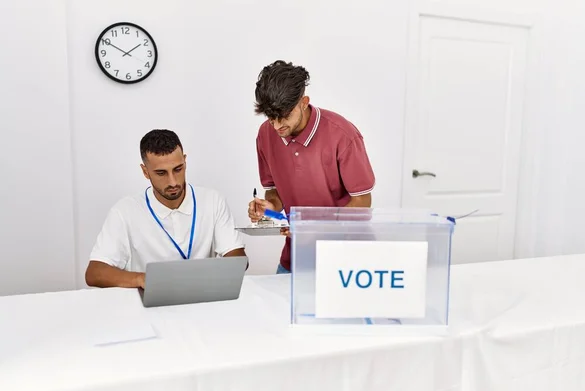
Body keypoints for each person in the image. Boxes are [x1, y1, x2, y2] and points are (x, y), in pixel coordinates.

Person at [248, 60, 375, 274]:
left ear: (303, 102)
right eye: (271, 119)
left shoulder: (343, 135)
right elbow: (275, 192)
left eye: (284, 116)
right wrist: (269, 207)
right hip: (294, 259)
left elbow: (362, 203)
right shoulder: (265, 134)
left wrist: (315, 229)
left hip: (344, 262)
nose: (278, 126)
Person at [86, 129, 246, 288]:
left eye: (178, 169)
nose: (173, 182)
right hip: (149, 307)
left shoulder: (213, 201)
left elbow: (238, 261)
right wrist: (145, 280)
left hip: (202, 302)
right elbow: (95, 273)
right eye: (161, 173)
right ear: (145, 171)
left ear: (185, 161)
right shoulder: (124, 211)